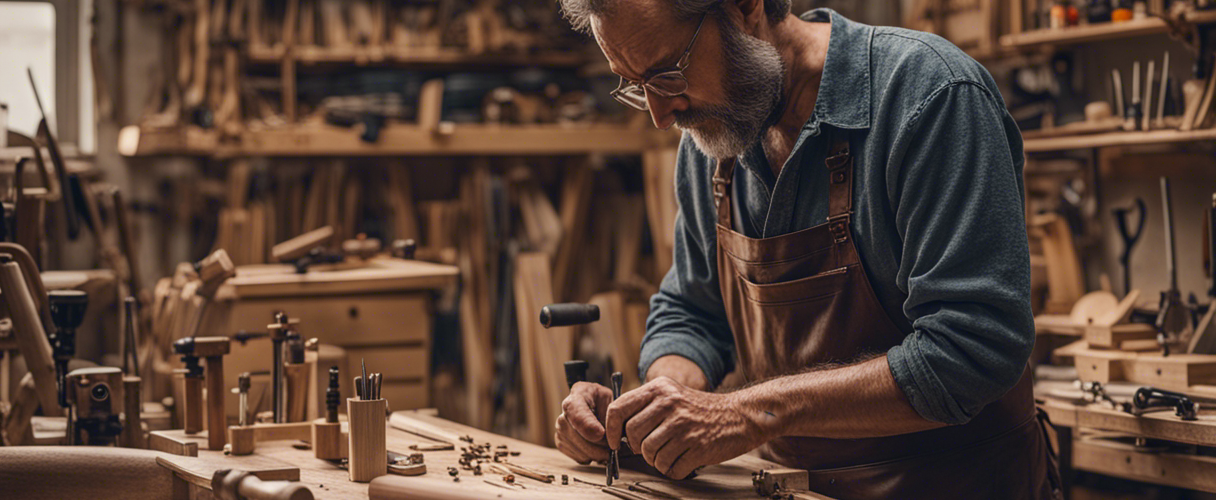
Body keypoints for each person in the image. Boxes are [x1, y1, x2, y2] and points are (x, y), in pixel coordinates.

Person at [552, 1, 1062, 498]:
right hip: (789, 488)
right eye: (637, 87)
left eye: (667, 74)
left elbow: (971, 351)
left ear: (744, 8)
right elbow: (692, 312)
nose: (661, 116)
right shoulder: (710, 138)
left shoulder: (931, 95)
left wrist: (745, 414)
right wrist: (655, 408)